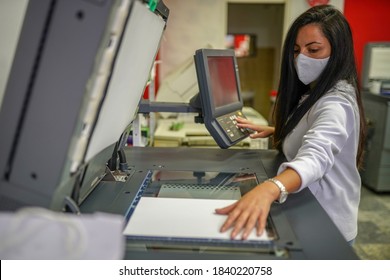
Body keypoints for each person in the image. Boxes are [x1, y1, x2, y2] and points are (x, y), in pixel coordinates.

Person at [215, 4, 366, 245]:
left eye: (313, 49)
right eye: (296, 50)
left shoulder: (336, 102)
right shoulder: (316, 91)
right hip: (310, 212)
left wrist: (269, 188)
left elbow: (316, 156)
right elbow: (316, 130)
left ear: (338, 51)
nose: (301, 58)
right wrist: (279, 131)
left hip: (328, 227)